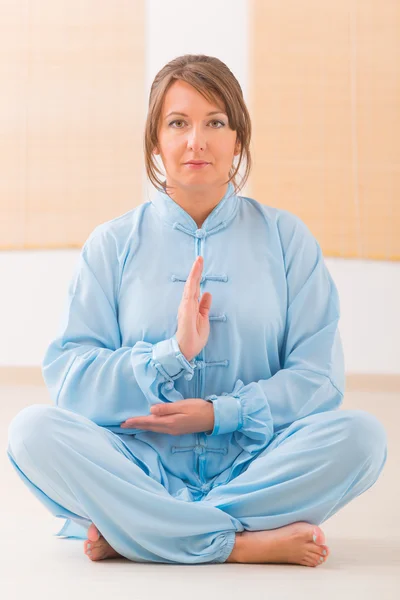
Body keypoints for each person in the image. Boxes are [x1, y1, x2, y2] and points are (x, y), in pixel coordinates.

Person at [7, 54, 387, 567]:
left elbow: (318, 378)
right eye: (178, 123)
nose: (197, 141)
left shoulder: (286, 239)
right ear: (155, 140)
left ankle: (141, 531)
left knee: (362, 438)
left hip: (256, 466)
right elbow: (72, 381)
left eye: (215, 122)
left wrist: (221, 414)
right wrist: (170, 354)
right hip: (139, 464)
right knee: (31, 432)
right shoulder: (112, 243)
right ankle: (237, 543)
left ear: (238, 138)